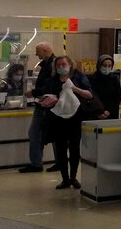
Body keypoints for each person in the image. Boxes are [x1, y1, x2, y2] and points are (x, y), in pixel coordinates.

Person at [39, 55, 95, 190]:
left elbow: (89, 95)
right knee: (61, 149)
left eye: (64, 64)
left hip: (76, 118)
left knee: (75, 148)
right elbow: (44, 96)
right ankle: (65, 178)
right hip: (58, 119)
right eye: (58, 65)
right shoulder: (52, 81)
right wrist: (49, 100)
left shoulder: (79, 77)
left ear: (70, 64)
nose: (61, 67)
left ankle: (73, 177)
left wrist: (74, 88)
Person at [19, 42, 55, 173]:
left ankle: (36, 163)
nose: (36, 54)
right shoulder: (47, 65)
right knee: (50, 134)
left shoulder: (51, 66)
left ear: (45, 51)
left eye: (38, 51)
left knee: (35, 133)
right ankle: (56, 162)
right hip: (45, 104)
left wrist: (33, 92)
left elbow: (49, 86)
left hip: (47, 105)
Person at [89, 55, 121, 119]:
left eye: (109, 66)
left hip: (111, 114)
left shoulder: (114, 79)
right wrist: (98, 113)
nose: (107, 68)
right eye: (104, 65)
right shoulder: (92, 79)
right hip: (95, 115)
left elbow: (118, 97)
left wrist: (108, 111)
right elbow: (91, 98)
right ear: (99, 65)